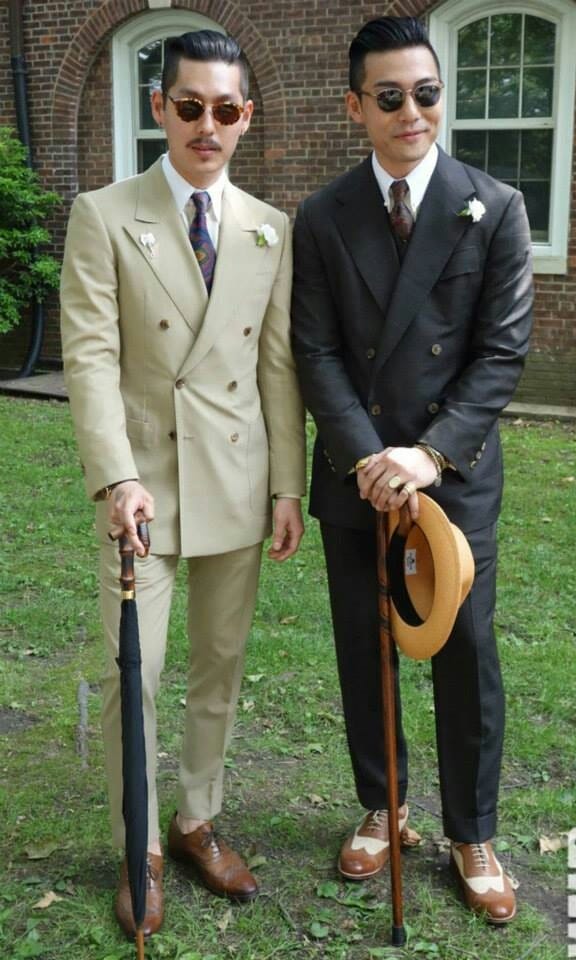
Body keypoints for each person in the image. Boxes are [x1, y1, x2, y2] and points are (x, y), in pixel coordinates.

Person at [60, 30, 305, 940]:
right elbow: (88, 357)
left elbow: (276, 367)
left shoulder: (269, 227)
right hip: (145, 491)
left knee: (218, 670)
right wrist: (114, 476)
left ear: (247, 118)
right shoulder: (102, 212)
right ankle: (140, 849)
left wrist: (287, 485)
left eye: (226, 109)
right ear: (160, 108)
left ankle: (195, 819)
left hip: (239, 483)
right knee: (139, 670)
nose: (209, 125)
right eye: (191, 106)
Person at [291, 16, 533, 924]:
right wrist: (369, 456)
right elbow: (313, 353)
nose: (411, 112)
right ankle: (382, 806)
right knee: (365, 643)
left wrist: (426, 455)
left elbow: (500, 355)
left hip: (452, 475)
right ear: (356, 105)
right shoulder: (321, 217)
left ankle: (471, 830)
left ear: (442, 96)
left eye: (425, 93)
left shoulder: (494, 205)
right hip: (358, 476)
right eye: (389, 97)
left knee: (465, 650)